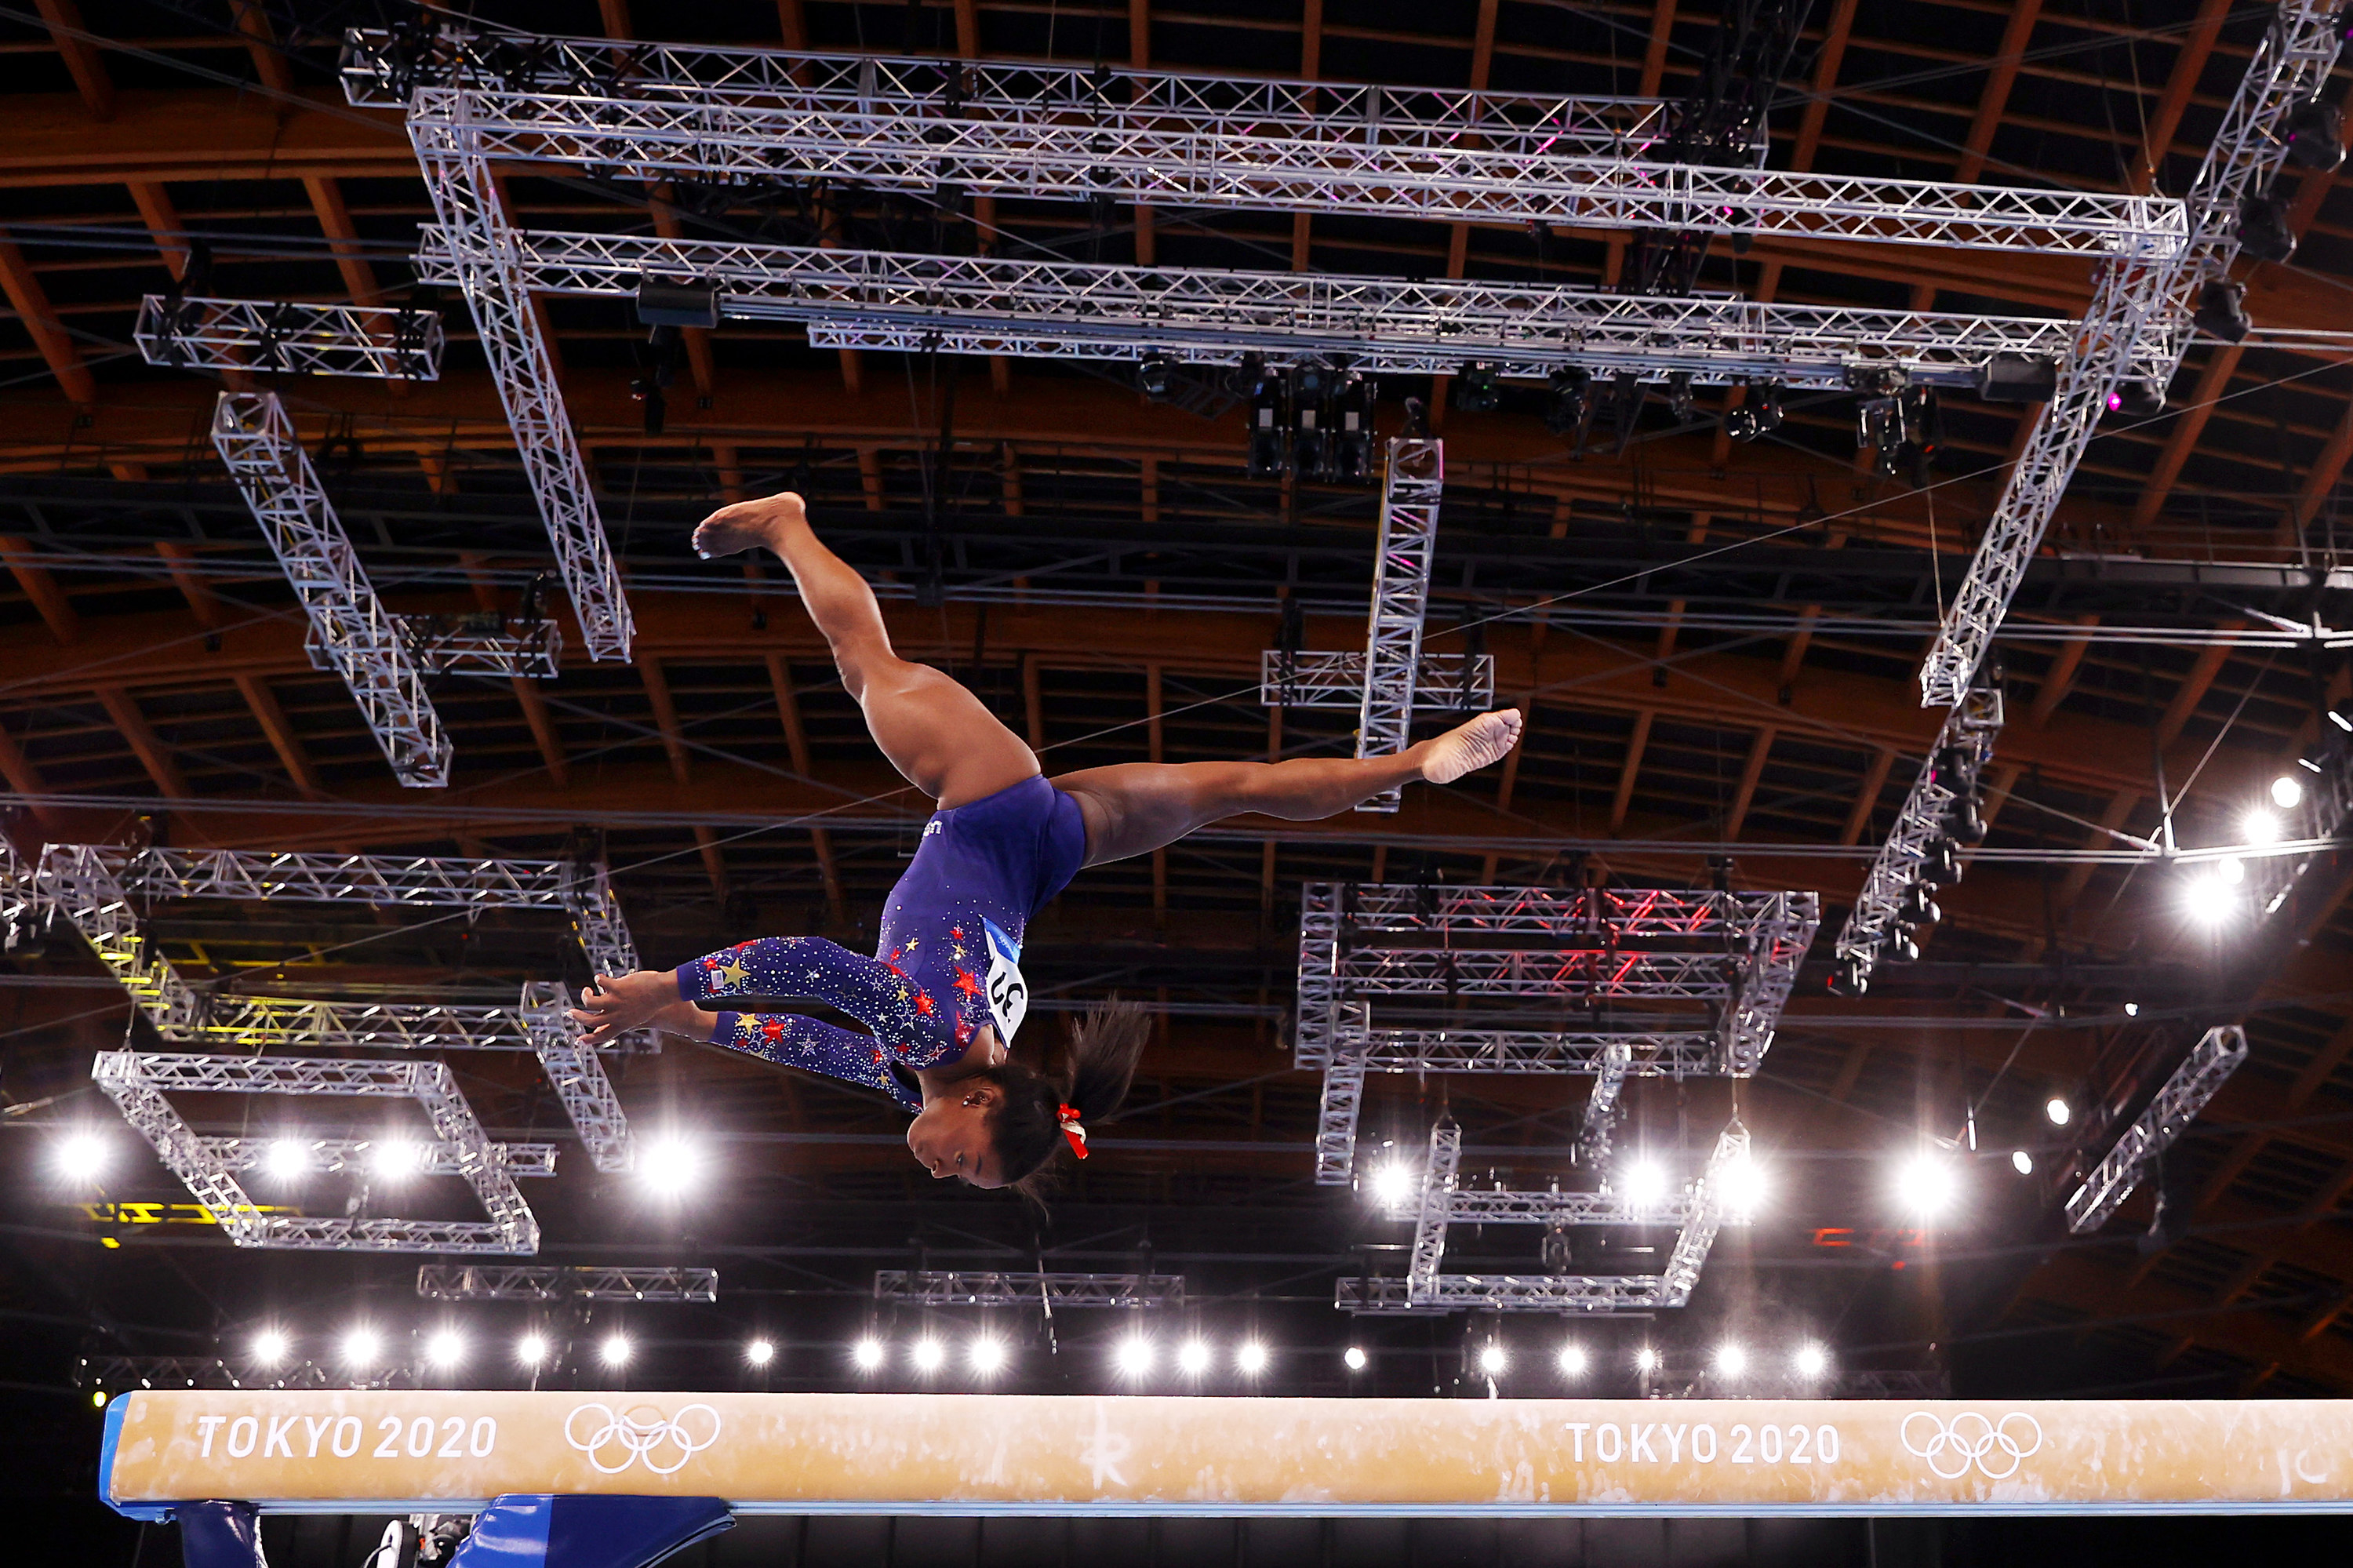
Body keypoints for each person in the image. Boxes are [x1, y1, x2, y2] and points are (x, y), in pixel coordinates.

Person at [569, 490, 1522, 1197]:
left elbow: (808, 1044)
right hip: (985, 801)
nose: (942, 1169)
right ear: (981, 1108)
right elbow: (811, 966)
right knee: (868, 663)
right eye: (965, 1161)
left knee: (1238, 791)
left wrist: (691, 1027)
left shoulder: (932, 1066)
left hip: (1045, 853)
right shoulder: (933, 1039)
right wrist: (673, 986)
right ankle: (788, 526)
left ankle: (1412, 762)